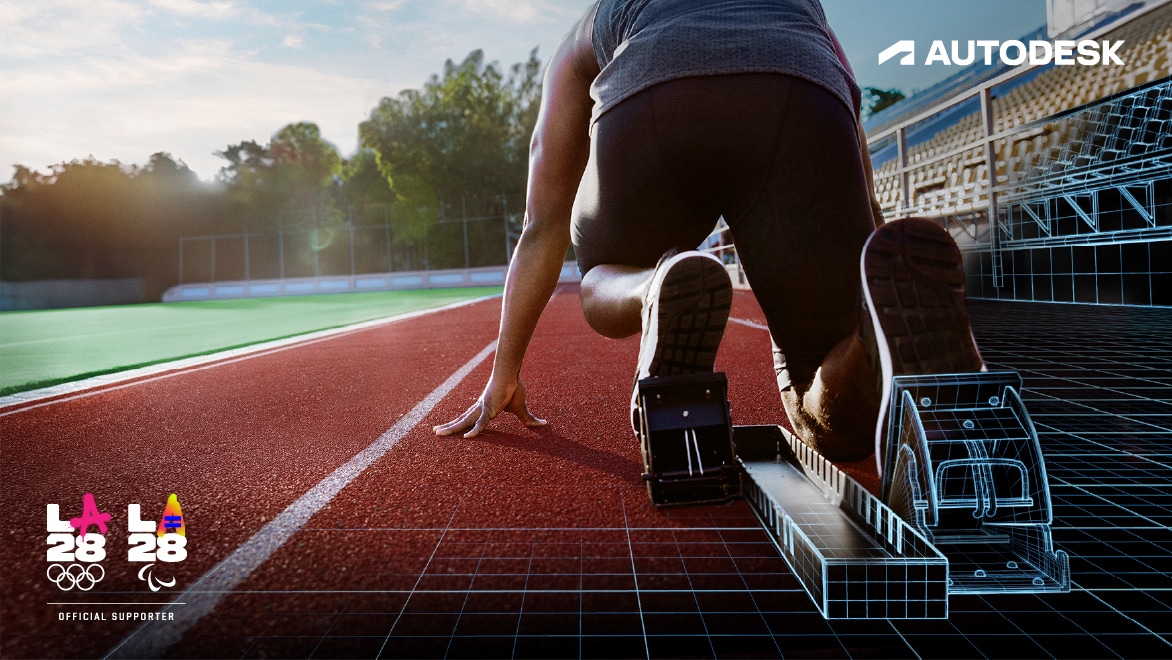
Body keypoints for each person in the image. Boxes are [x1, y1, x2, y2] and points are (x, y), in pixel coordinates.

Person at [434, 0, 984, 472]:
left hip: (652, 96)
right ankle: (871, 345)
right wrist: (875, 261)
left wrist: (504, 372)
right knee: (834, 417)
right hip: (798, 95)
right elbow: (845, 98)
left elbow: (543, 220)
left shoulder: (598, 18)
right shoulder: (799, 6)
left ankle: (652, 289)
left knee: (602, 273)